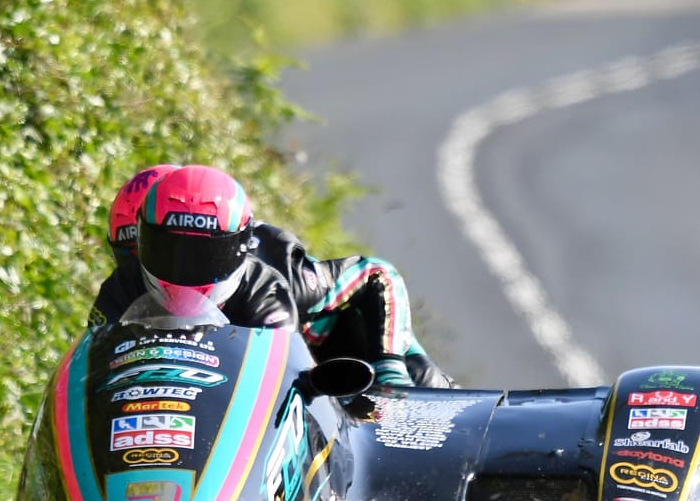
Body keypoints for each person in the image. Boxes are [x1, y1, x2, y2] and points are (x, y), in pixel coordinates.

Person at [94, 164, 450, 388]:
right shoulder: (127, 288)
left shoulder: (278, 273)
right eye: (150, 251)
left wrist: (389, 370)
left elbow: (378, 275)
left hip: (361, 369)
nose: (175, 267)